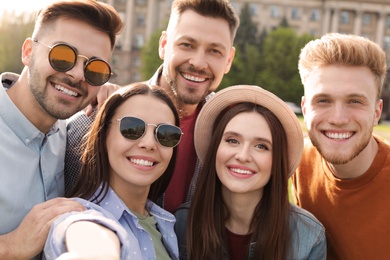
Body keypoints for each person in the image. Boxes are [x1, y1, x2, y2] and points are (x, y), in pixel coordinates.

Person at [65, 0, 239, 213]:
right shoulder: (97, 119)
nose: (199, 62)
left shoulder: (232, 132)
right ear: (164, 45)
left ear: (229, 60)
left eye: (214, 51)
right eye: (187, 45)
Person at [0, 1, 123, 259]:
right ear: (28, 52)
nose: (78, 75)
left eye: (95, 69)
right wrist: (10, 246)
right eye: (63, 56)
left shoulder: (69, 134)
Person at [175, 85, 326, 259]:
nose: (243, 156)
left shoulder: (309, 237)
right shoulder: (182, 223)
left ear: (277, 161)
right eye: (232, 140)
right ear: (215, 148)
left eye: (261, 146)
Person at [44, 83, 182, 259]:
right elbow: (89, 239)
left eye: (166, 134)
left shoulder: (165, 222)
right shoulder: (80, 215)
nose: (148, 143)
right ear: (103, 136)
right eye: (131, 128)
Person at [291, 33, 390, 259]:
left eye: (355, 101)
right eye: (323, 100)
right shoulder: (298, 160)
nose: (338, 118)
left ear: (377, 112)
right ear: (305, 109)